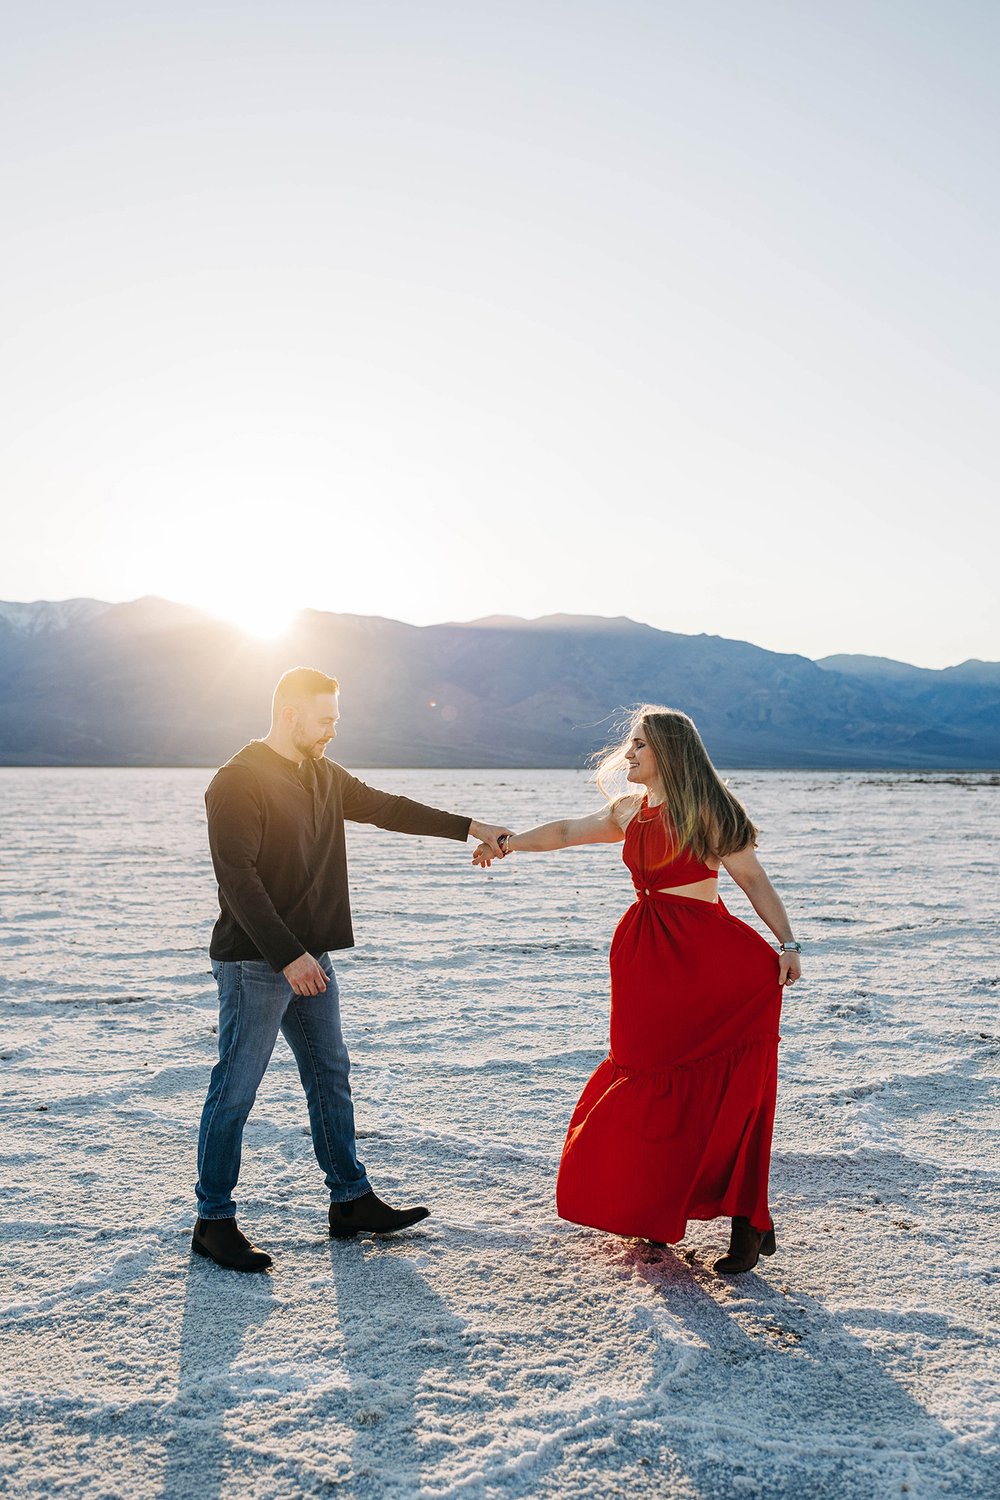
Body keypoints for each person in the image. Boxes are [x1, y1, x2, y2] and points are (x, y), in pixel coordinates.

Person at [193, 666, 510, 1272]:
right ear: (289, 715)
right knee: (235, 1090)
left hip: (313, 956)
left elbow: (387, 807)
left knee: (329, 1074)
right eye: (326, 720)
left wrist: (471, 826)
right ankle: (212, 1221)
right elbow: (238, 880)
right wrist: (288, 956)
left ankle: (350, 1200)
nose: (334, 730)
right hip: (257, 962)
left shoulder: (320, 774)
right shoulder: (238, 781)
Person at [473, 705, 801, 1274]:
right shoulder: (629, 811)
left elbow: (752, 879)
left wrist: (789, 944)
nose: (629, 753)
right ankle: (655, 1207)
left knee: (733, 1090)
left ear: (669, 752)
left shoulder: (708, 810)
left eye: (640, 745)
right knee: (641, 1071)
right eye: (631, 743)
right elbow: (568, 832)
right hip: (645, 959)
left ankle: (749, 1221)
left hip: (711, 962)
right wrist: (509, 843)